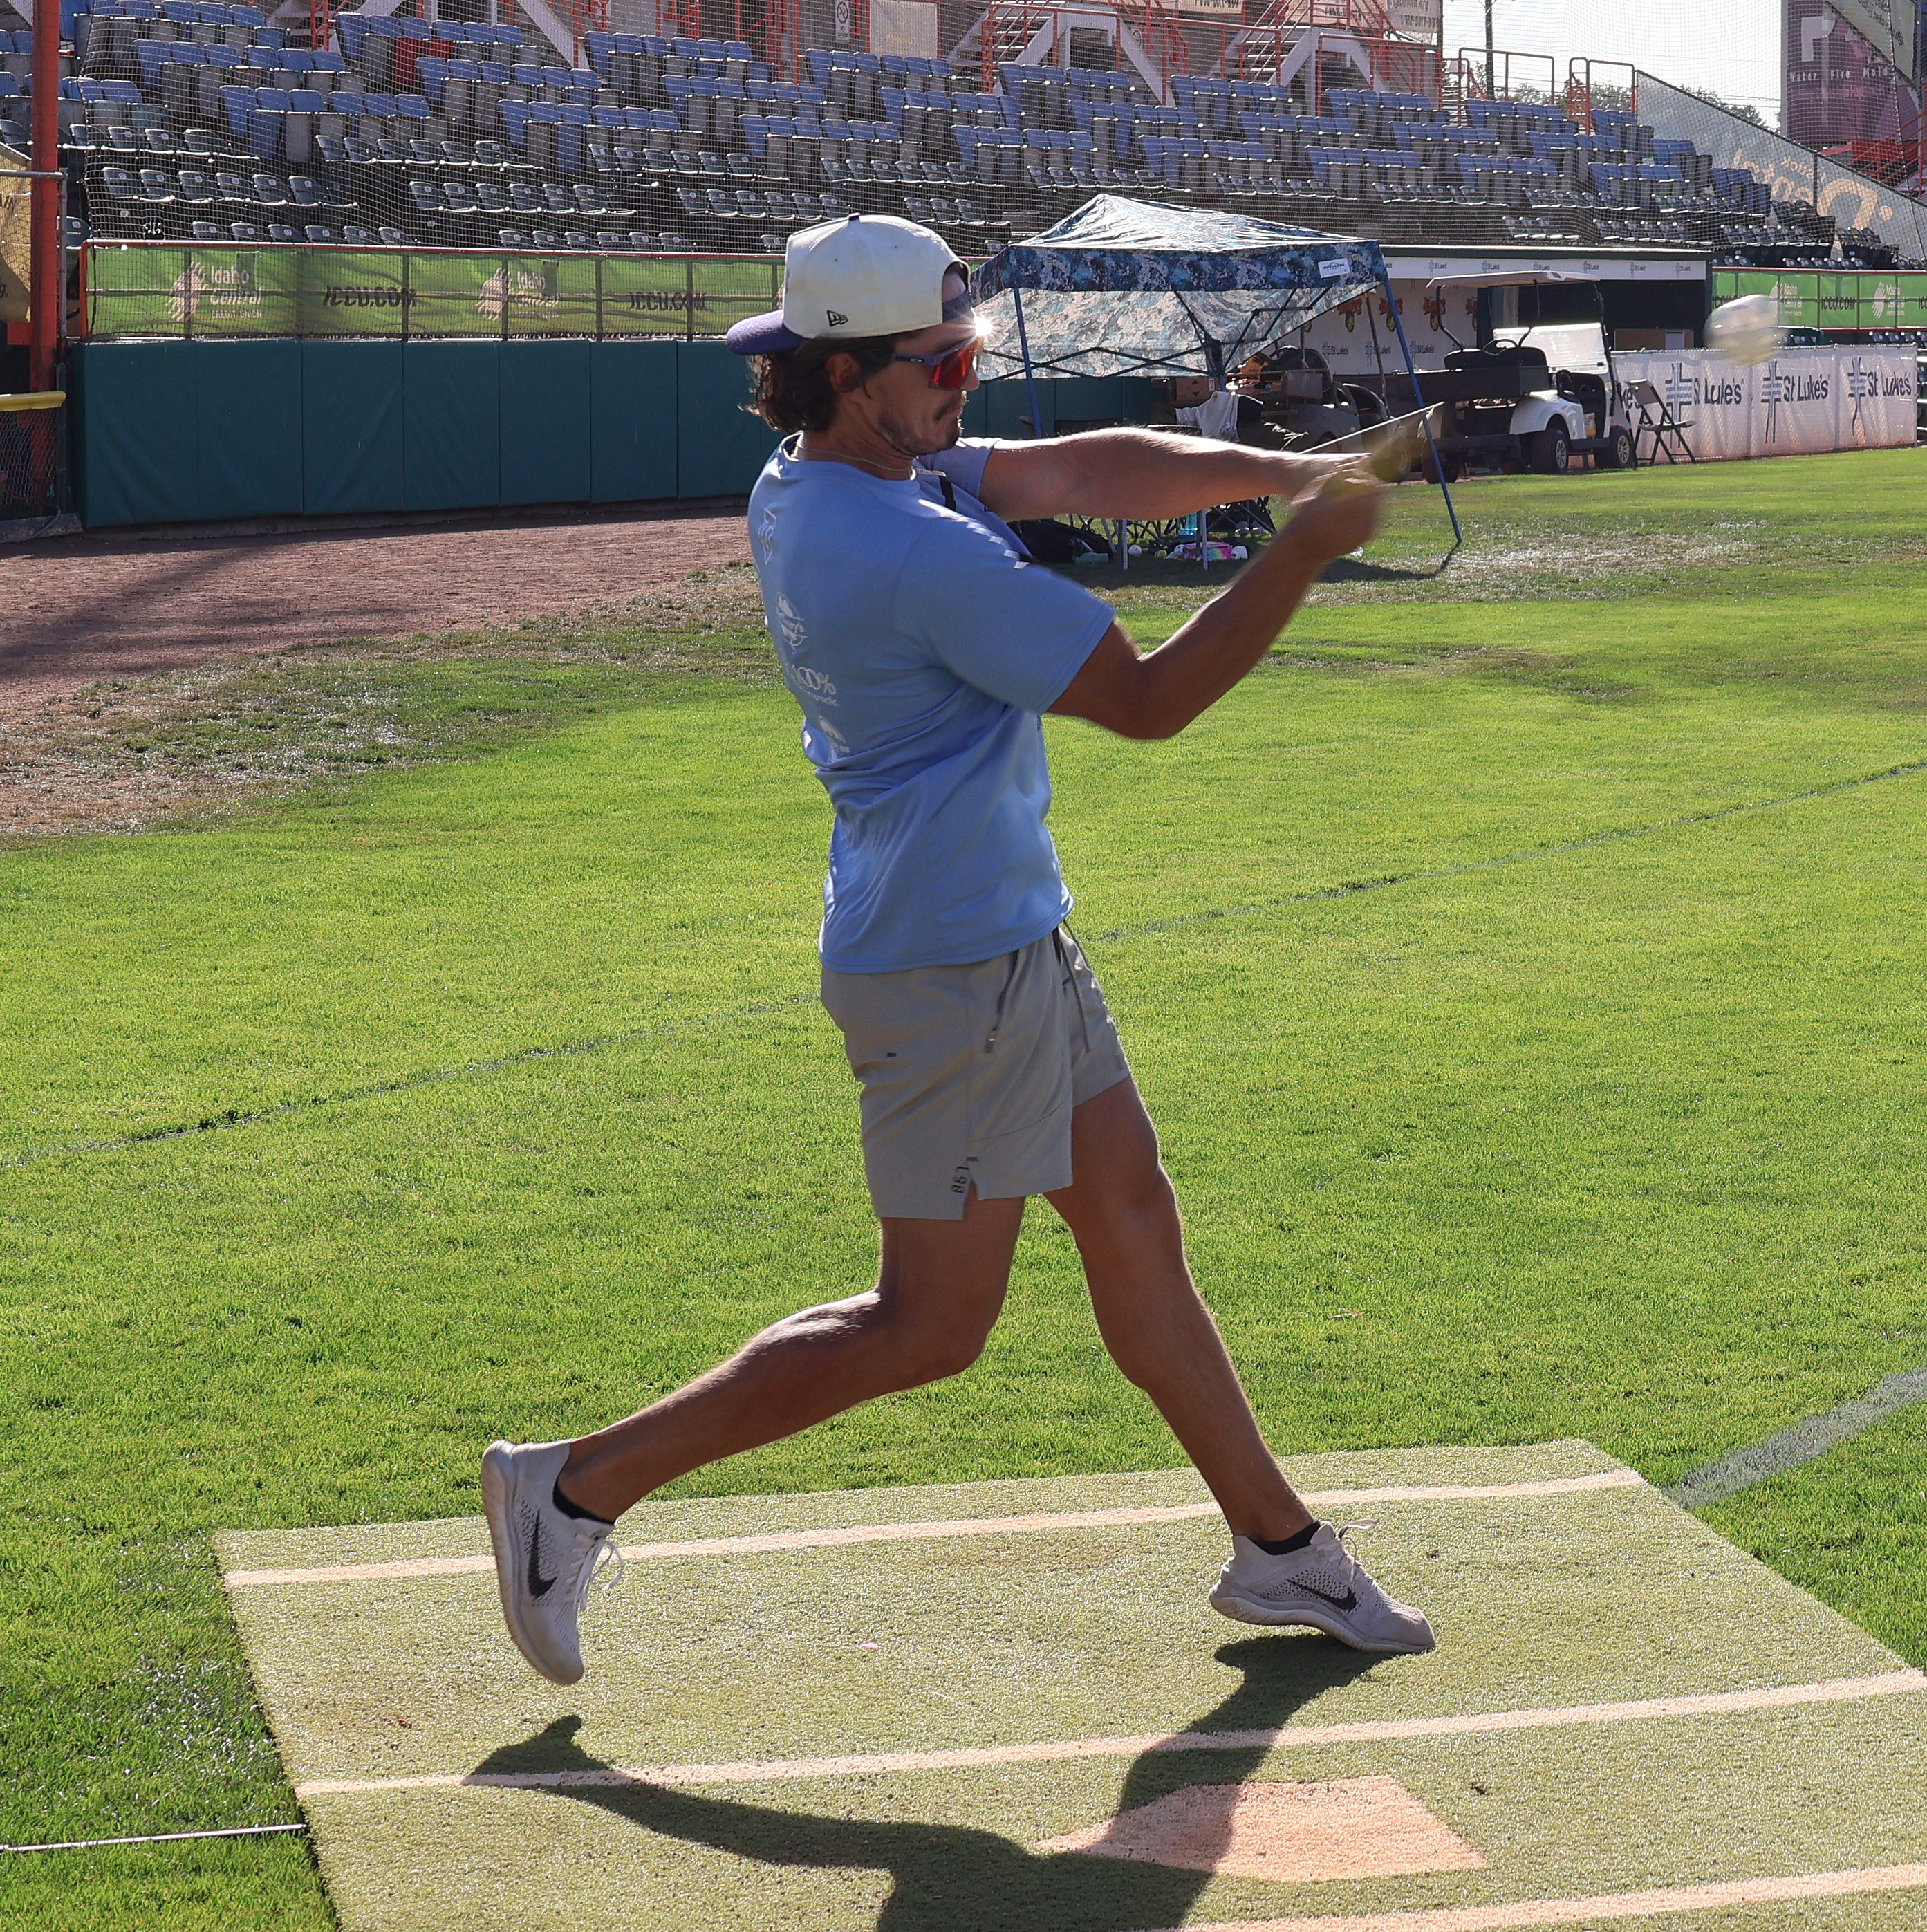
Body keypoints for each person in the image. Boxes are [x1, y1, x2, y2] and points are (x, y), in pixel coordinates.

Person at [483, 214, 1428, 1687]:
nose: (966, 380)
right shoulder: (909, 545)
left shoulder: (831, 469)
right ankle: (574, 1487)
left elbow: (1088, 469)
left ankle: (1281, 1547)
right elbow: (1150, 699)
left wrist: (1276, 466)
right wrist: (1300, 543)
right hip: (948, 967)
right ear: (846, 371)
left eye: (968, 350)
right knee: (927, 1324)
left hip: (996, 933)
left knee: (1132, 1218)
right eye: (944, 361)